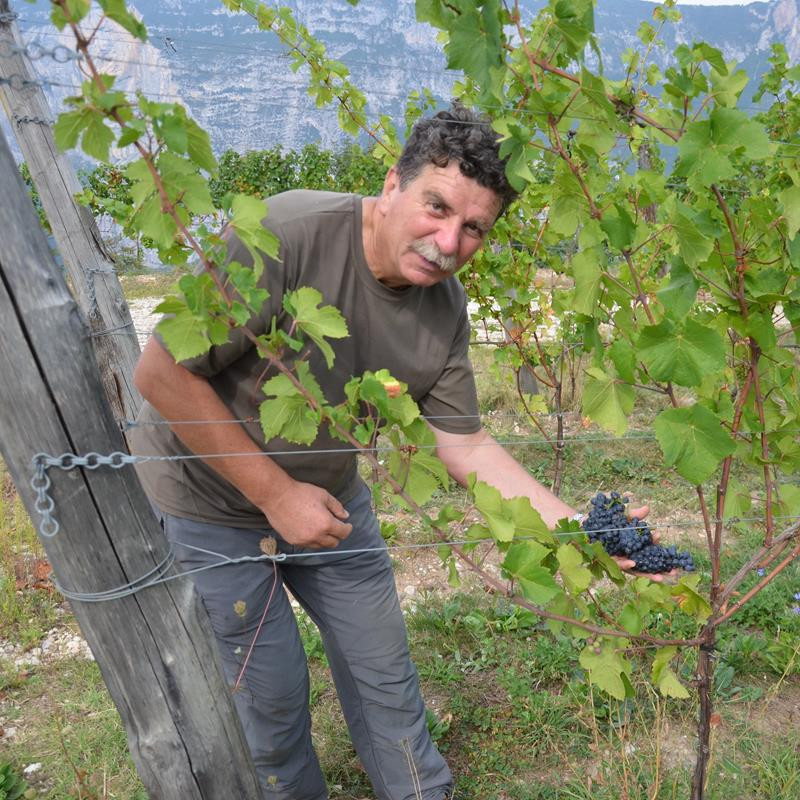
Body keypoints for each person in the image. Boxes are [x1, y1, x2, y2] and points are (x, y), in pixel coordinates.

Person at [131, 103, 650, 800]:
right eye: (437, 207)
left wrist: (579, 538)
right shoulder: (287, 234)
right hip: (213, 504)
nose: (447, 240)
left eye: (474, 229)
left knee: (387, 680)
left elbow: (467, 446)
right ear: (390, 185)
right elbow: (161, 373)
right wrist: (276, 496)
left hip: (331, 502)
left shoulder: (445, 310)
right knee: (273, 700)